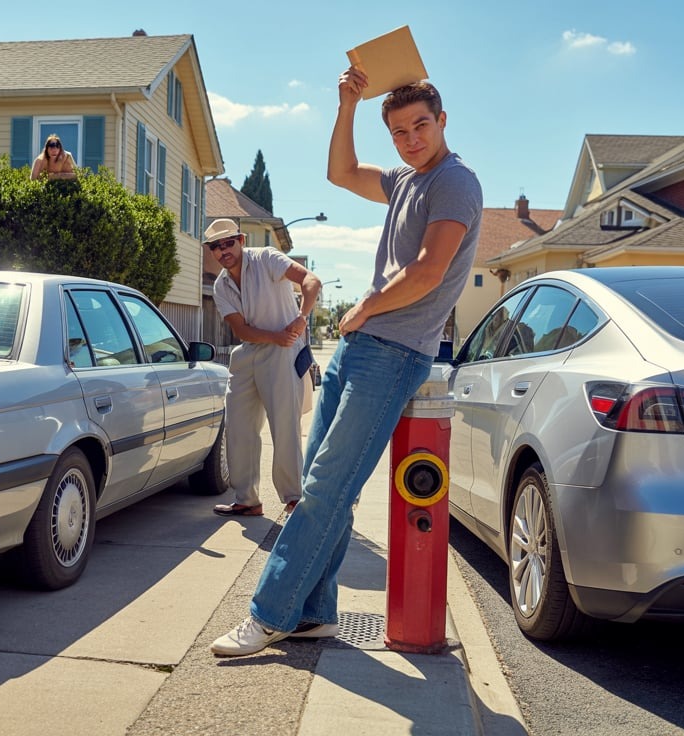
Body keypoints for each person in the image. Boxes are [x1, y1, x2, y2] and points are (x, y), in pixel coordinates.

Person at [210, 67, 482, 656]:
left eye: (421, 125)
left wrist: (364, 308)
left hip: (392, 352)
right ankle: (315, 613)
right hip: (362, 348)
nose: (411, 138)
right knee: (320, 487)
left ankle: (270, 612)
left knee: (326, 487)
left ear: (442, 122)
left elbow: (431, 270)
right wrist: (347, 104)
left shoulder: (454, 182)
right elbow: (339, 173)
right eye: (400, 131)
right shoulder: (406, 179)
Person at [204, 218, 321, 517]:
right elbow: (241, 330)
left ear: (241, 240)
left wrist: (301, 317)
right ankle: (247, 499)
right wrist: (275, 335)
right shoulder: (221, 285)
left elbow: (311, 281)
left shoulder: (267, 257)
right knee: (238, 427)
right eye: (215, 246)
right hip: (250, 351)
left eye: (228, 242)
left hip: (283, 352)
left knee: (284, 425)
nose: (222, 250)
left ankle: (294, 497)